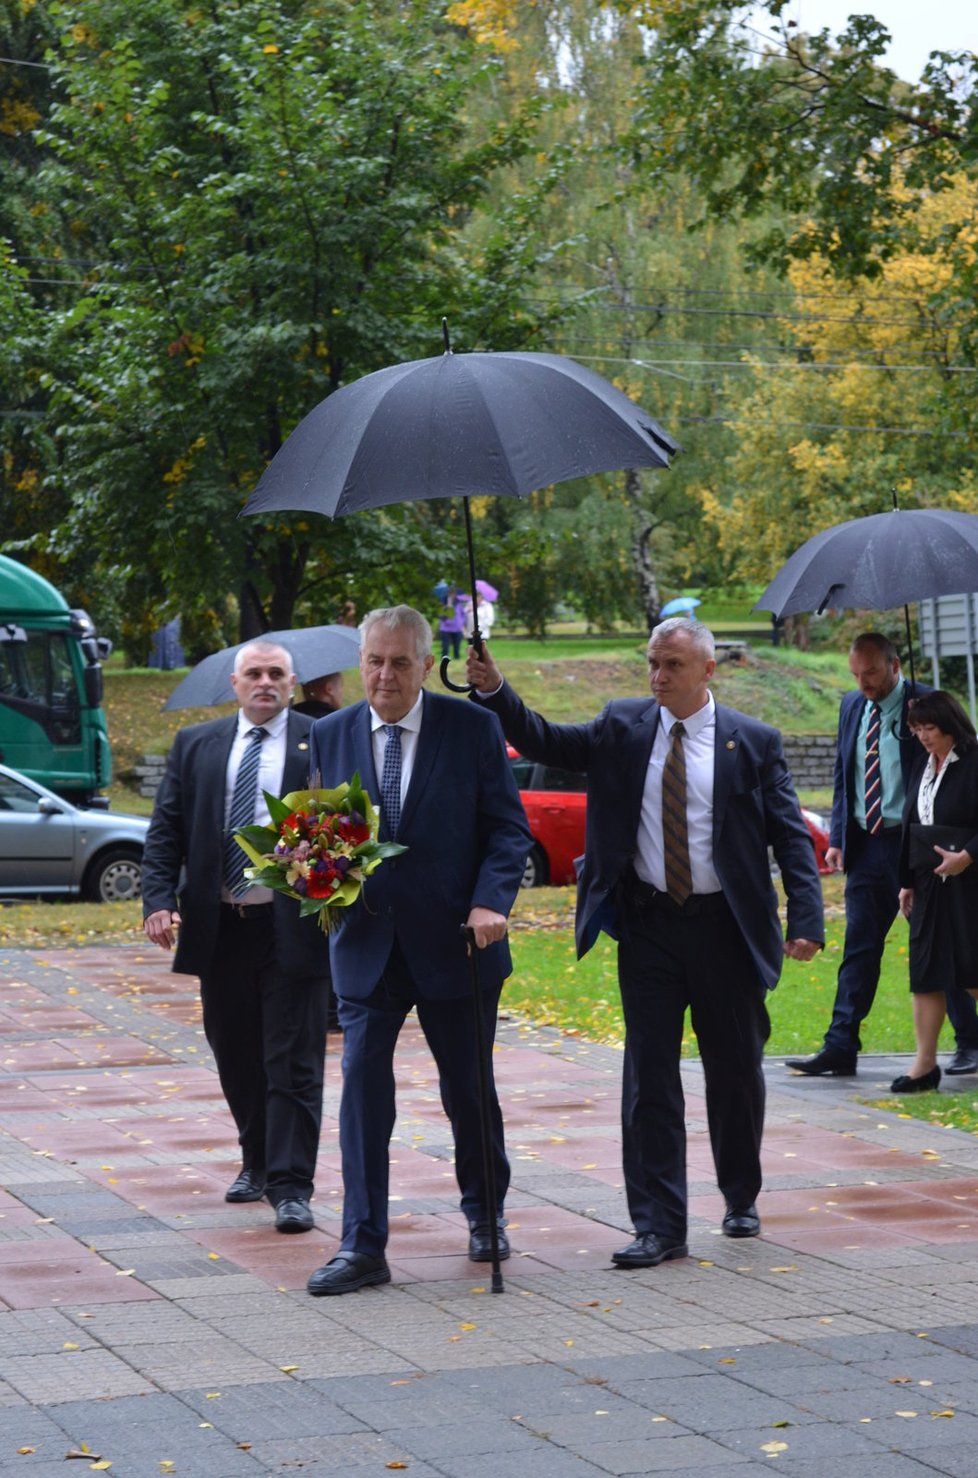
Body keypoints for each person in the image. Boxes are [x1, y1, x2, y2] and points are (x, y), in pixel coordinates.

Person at [466, 616, 823, 1265]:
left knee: (735, 1071)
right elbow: (543, 738)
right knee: (649, 1078)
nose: (658, 677)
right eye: (653, 664)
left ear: (708, 671)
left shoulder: (754, 741)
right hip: (649, 926)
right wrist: (496, 691)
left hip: (727, 930)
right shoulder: (621, 727)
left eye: (673, 666)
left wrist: (806, 917)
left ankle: (740, 1195)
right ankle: (658, 1225)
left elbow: (791, 835)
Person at [304, 605, 531, 1296]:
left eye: (400, 662)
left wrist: (492, 900)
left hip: (457, 943)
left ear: (427, 666)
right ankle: (361, 1244)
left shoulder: (473, 729)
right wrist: (312, 871)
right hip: (367, 945)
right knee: (363, 1098)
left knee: (468, 1090)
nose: (384, 674)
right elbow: (323, 835)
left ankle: (485, 1213)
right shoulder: (332, 734)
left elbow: (508, 832)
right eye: (374, 660)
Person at [141, 641, 331, 1234]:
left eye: (277, 673)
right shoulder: (197, 745)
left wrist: (314, 857)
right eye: (255, 673)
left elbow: (346, 827)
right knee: (236, 1054)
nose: (266, 682)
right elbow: (165, 829)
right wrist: (157, 901)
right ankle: (256, 1161)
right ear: (235, 682)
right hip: (221, 927)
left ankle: (292, 1184)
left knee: (292, 1059)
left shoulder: (320, 740)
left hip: (291, 926)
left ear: (294, 681)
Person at [787, 633, 978, 1077]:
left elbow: (957, 761)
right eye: (855, 674)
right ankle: (840, 1045)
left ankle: (969, 1043)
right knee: (859, 946)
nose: (863, 683)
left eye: (870, 673)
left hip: (921, 845)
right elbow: (844, 771)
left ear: (894, 665)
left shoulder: (928, 706)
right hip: (867, 843)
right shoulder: (852, 706)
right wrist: (838, 835)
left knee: (941, 944)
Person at [893, 692, 978, 1093]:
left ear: (950, 725)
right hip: (928, 883)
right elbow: (911, 824)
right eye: (916, 729)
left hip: (970, 882)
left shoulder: (974, 762)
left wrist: (967, 856)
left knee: (972, 968)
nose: (923, 737)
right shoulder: (922, 767)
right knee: (925, 973)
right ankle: (924, 1066)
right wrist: (907, 882)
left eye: (929, 728)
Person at [437, 586, 467, 660]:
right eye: (450, 593)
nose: (452, 594)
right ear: (448, 593)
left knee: (456, 647)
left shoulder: (459, 603)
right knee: (445, 647)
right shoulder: (442, 602)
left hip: (457, 628)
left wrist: (461, 623)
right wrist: (447, 608)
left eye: (453, 593)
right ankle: (444, 661)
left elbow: (463, 615)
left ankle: (457, 660)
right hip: (446, 629)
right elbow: (440, 616)